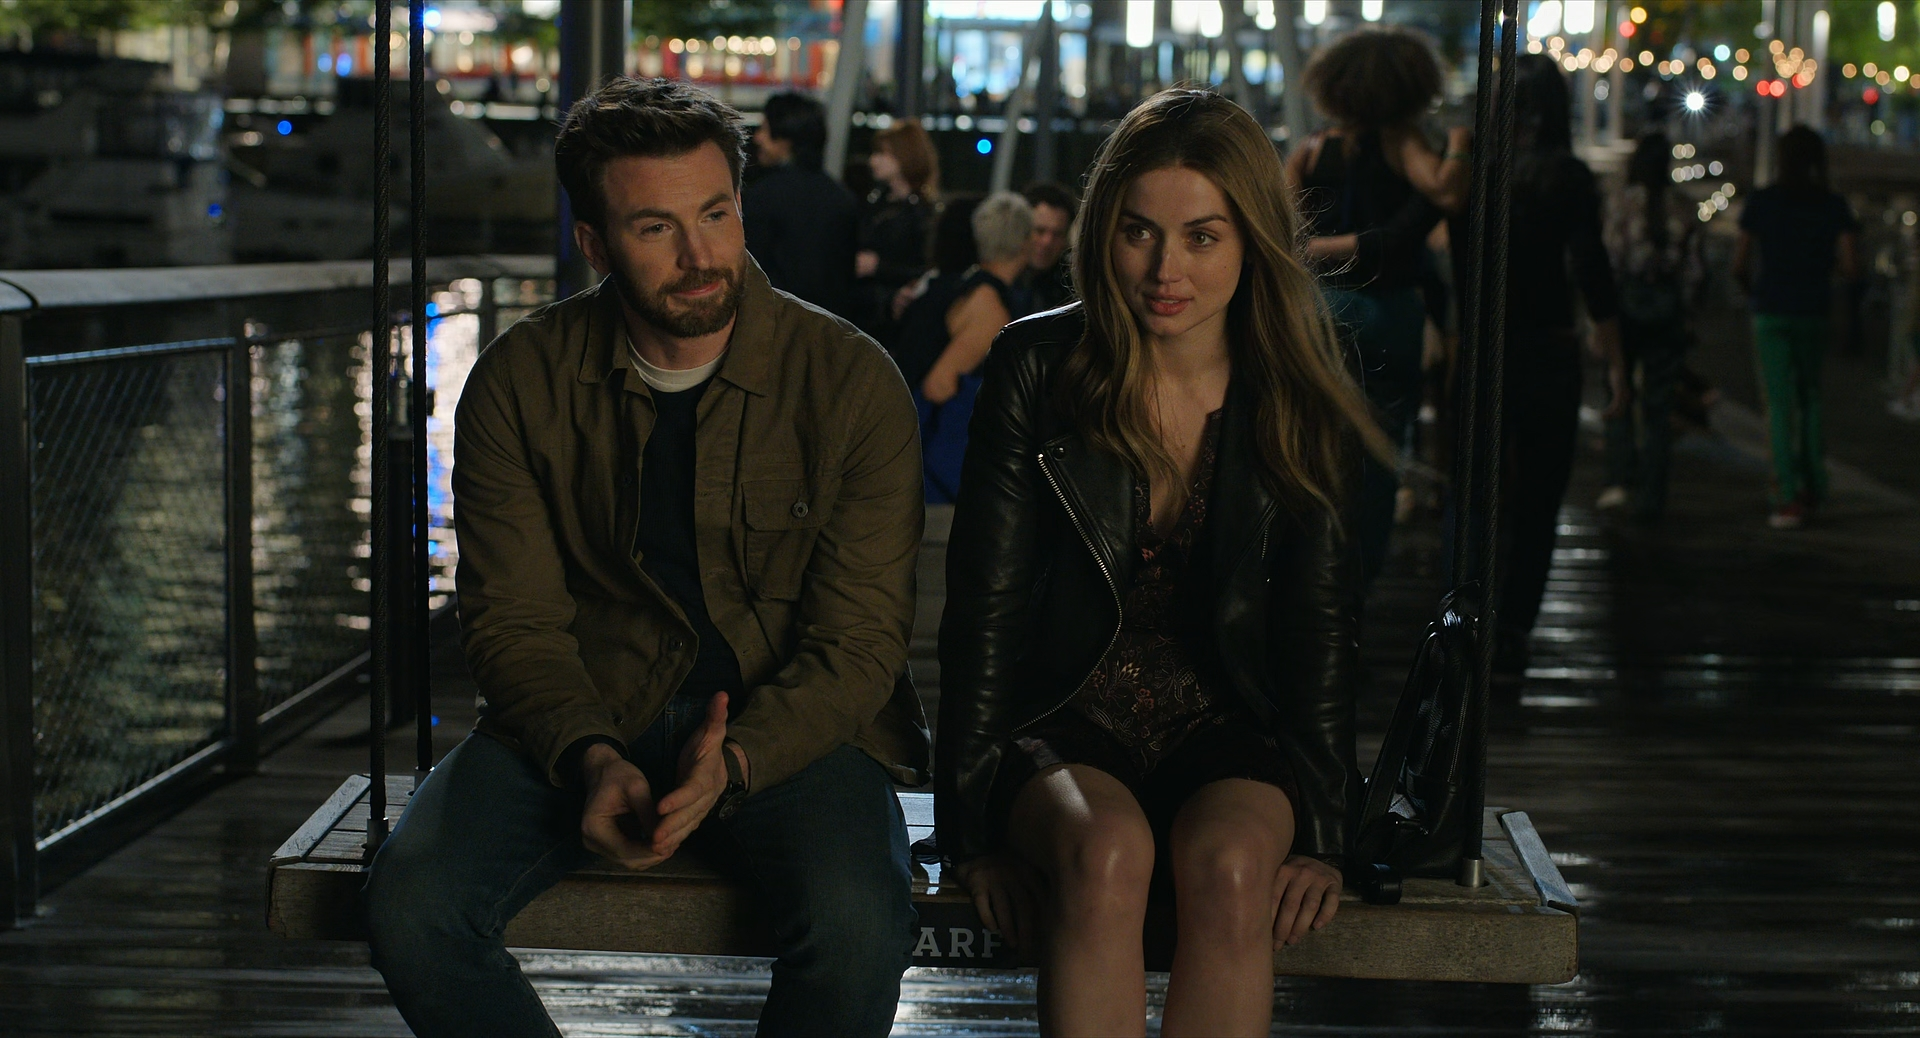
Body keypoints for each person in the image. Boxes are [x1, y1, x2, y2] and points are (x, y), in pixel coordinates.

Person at [363, 77, 930, 1038]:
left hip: (788, 726)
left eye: (716, 214)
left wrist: (737, 759)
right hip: (582, 716)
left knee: (859, 926)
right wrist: (589, 753)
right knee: (410, 905)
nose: (701, 256)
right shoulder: (520, 382)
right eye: (655, 228)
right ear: (594, 243)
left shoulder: (848, 382)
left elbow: (860, 642)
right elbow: (512, 621)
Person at [936, 89, 1392, 1038]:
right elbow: (987, 611)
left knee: (1233, 869)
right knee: (1105, 853)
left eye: (1201, 237)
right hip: (1063, 714)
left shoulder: (1299, 382)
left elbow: (1319, 621)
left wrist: (1325, 838)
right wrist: (970, 835)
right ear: (1103, 229)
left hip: (1230, 718)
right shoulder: (1038, 366)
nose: (1164, 269)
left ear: (1252, 241)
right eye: (1138, 232)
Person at [1287, 26, 1469, 588]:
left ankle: (1308, 573)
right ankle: (1357, 581)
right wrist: (1460, 143)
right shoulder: (1402, 141)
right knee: (1381, 450)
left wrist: (1314, 250)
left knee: (1313, 441)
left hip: (1321, 307)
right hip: (1388, 310)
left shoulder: (1313, 147)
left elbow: (1282, 219)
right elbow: (1446, 190)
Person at [1478, 55, 1626, 687]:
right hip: (1549, 347)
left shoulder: (1479, 174)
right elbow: (1592, 270)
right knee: (1541, 496)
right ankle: (1513, 624)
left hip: (1484, 349)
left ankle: (1466, 613)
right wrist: (1616, 363)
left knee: (1477, 491)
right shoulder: (1567, 177)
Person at [1733, 125, 1860, 529]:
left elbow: (1739, 263)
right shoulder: (1833, 205)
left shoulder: (1763, 201)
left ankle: (1785, 494)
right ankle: (1814, 484)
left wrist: (1754, 293)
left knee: (1778, 404)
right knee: (1810, 398)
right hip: (1814, 309)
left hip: (1771, 309)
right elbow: (1851, 266)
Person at [900, 191, 1033, 503]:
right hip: (931, 471)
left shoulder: (961, 285)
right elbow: (938, 386)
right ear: (1024, 242)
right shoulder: (989, 305)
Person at [1598, 130, 1697, 522]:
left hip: (1626, 304)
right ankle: (1653, 494)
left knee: (1618, 390)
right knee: (1659, 406)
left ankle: (1620, 477)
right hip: (1667, 308)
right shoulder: (1682, 207)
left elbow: (1609, 259)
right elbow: (1694, 271)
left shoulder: (1621, 204)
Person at [742, 91, 860, 318]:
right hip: (832, 323)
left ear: (785, 138)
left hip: (778, 320)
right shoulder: (842, 197)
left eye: (765, 129)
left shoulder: (763, 196)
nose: (757, 138)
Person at [855, 120, 941, 335]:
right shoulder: (875, 201)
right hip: (867, 307)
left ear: (905, 156)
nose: (873, 161)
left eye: (882, 154)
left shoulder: (922, 212)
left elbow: (928, 267)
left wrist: (879, 267)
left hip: (895, 316)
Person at [1022, 179, 1078, 312]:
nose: (1047, 242)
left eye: (1057, 234)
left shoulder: (1072, 289)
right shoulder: (999, 279)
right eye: (1040, 231)